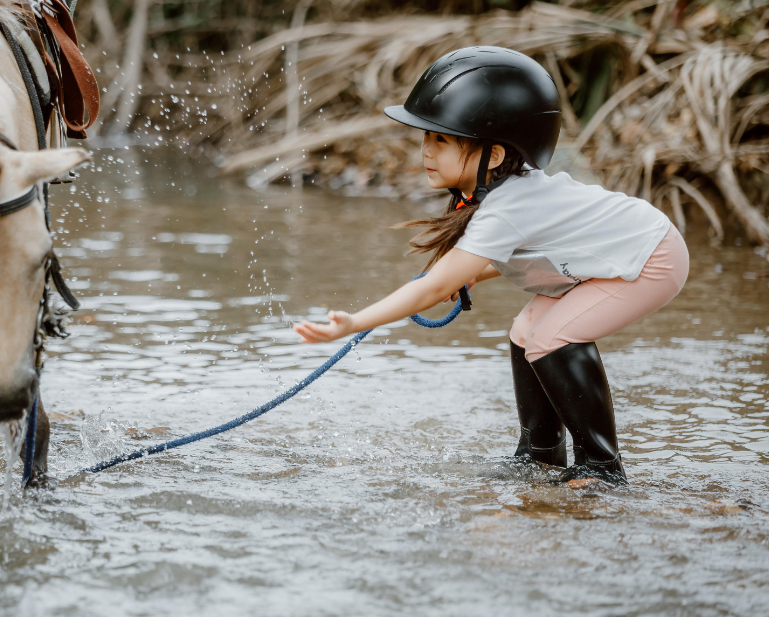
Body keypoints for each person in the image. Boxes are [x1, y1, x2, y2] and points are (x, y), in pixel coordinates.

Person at [294, 46, 688, 485]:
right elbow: (518, 255)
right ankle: (540, 455)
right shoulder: (501, 197)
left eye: (441, 139)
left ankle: (601, 466)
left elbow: (429, 288)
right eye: (426, 137)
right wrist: (468, 274)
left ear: (495, 156)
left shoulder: (507, 207)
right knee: (526, 334)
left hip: (652, 258)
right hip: (627, 249)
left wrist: (352, 323)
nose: (426, 150)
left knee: (553, 338)